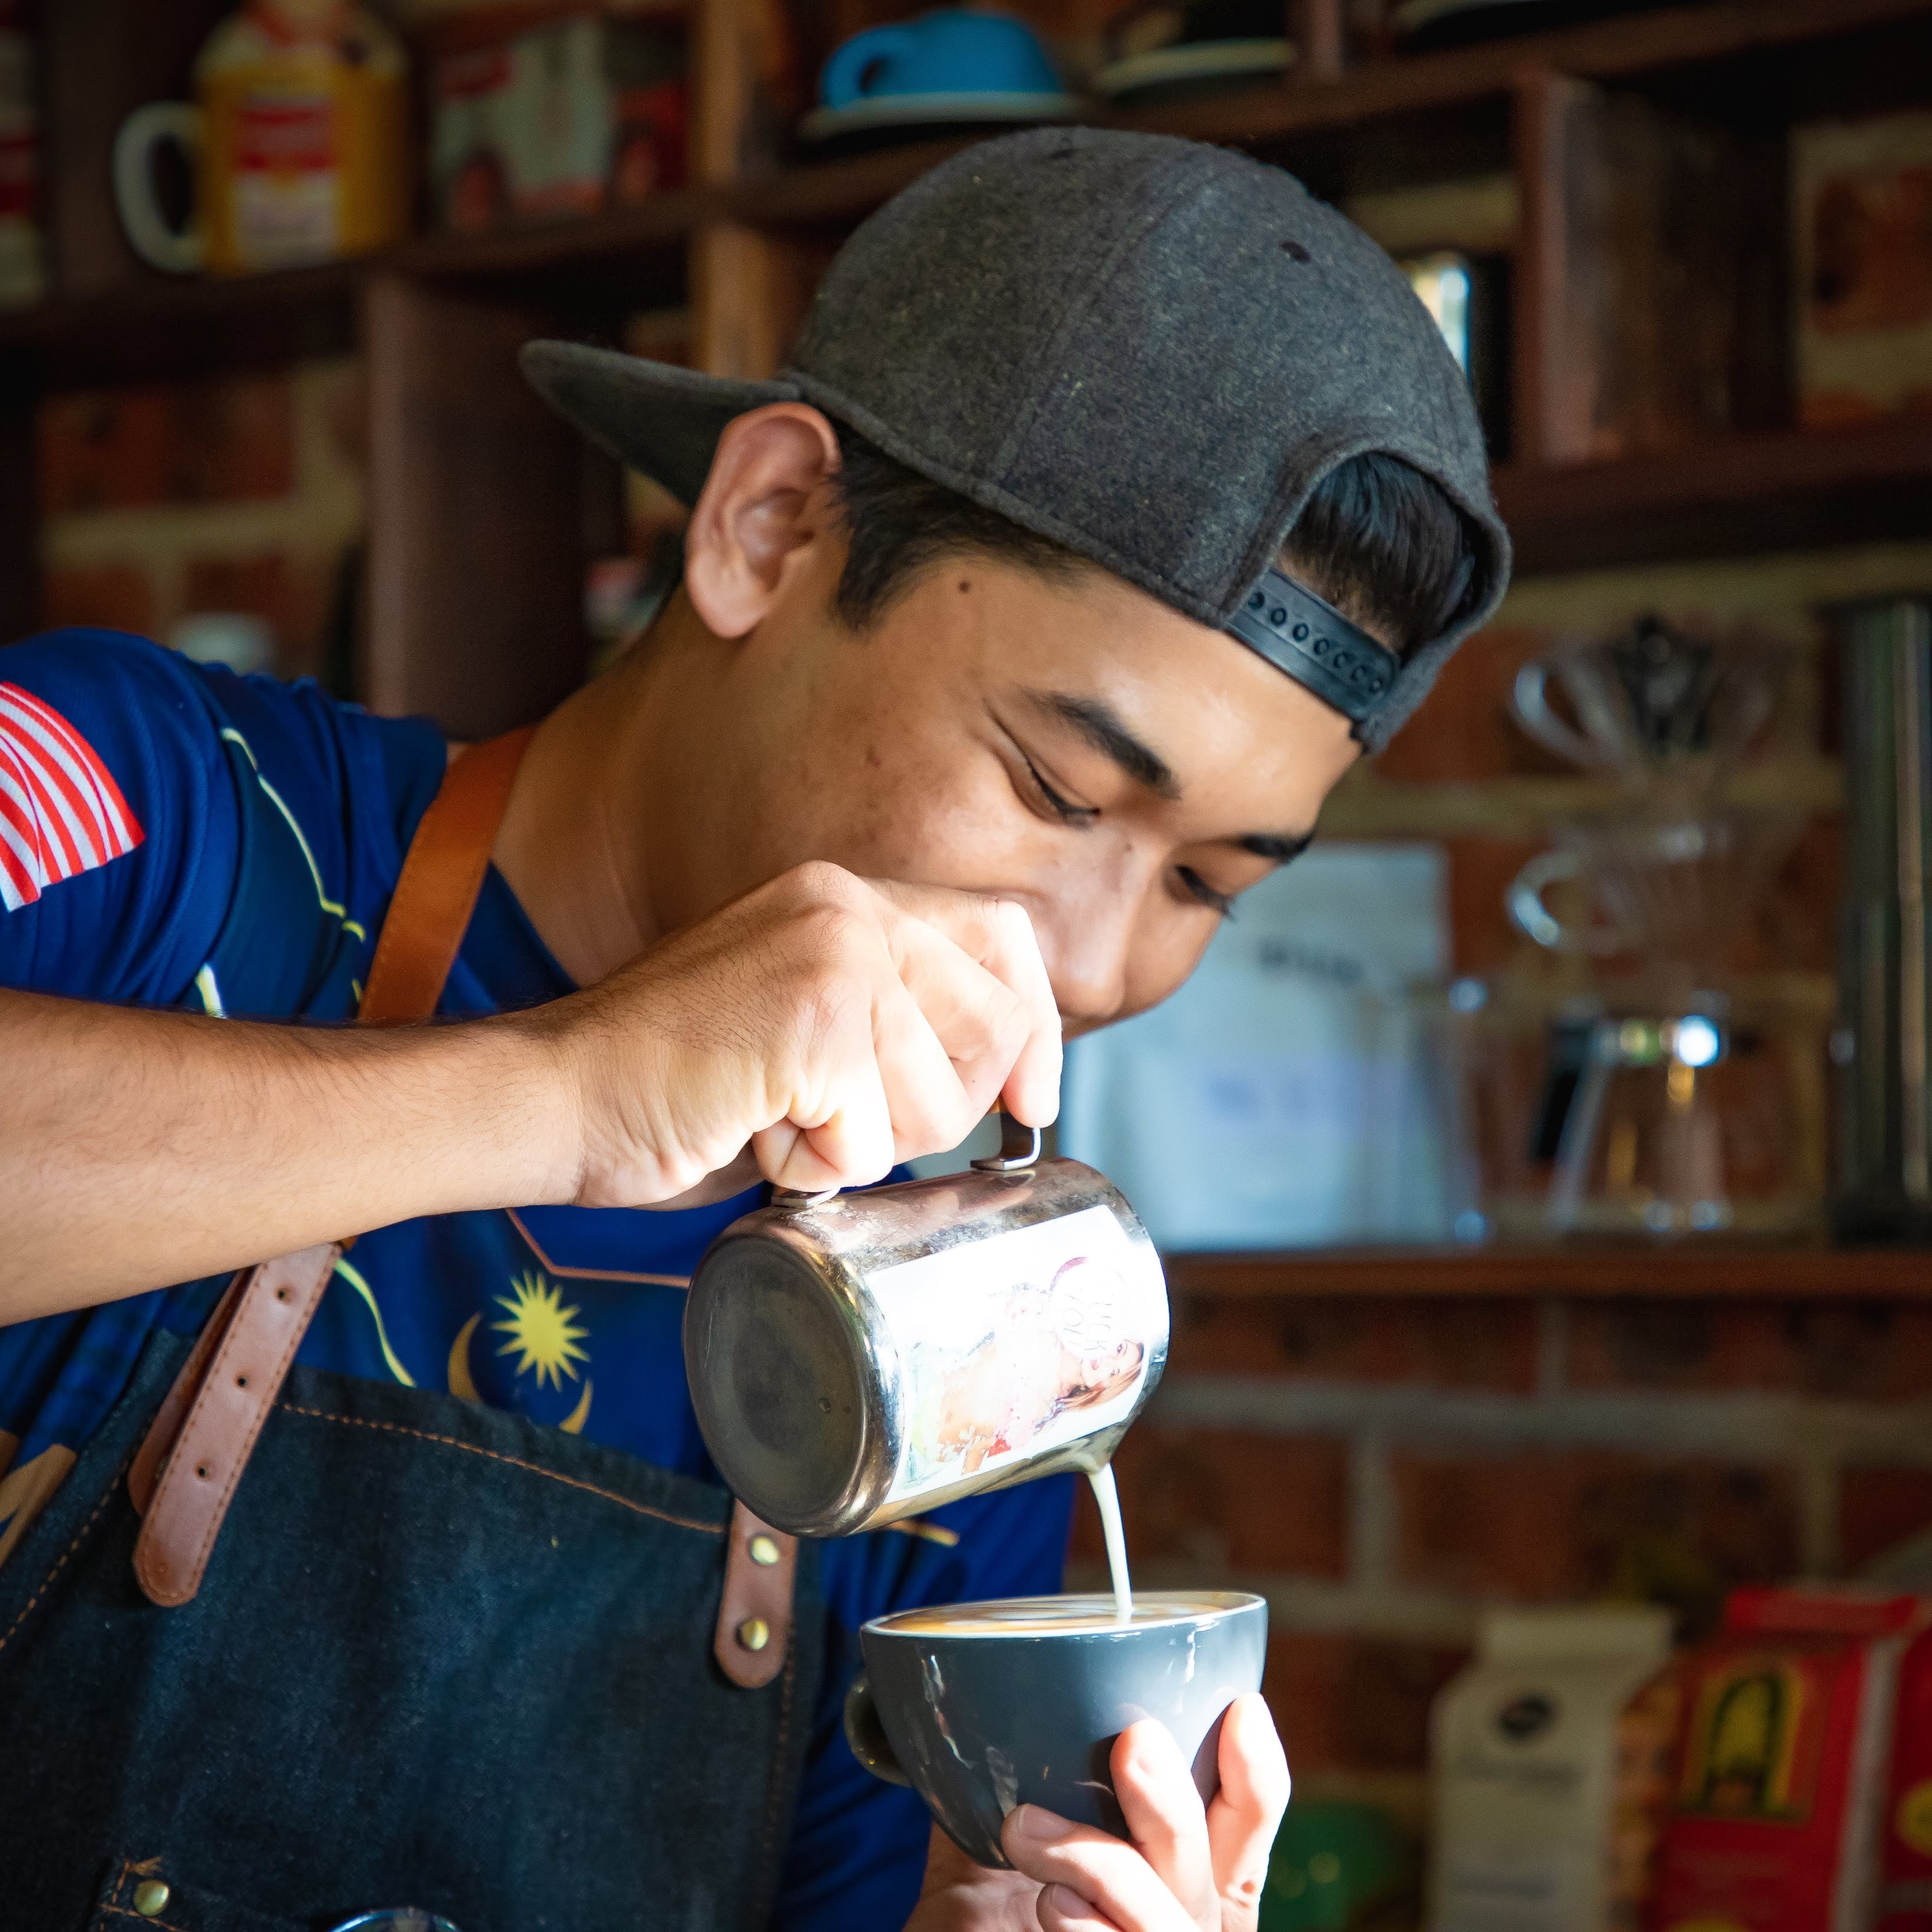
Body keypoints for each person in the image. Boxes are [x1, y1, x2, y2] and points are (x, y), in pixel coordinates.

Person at [0, 130, 1508, 1931]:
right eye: (1052, 784)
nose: (1098, 966)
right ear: (769, 525)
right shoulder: (162, 816)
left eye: (1207, 888)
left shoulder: (936, 1379)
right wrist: (562, 1089)